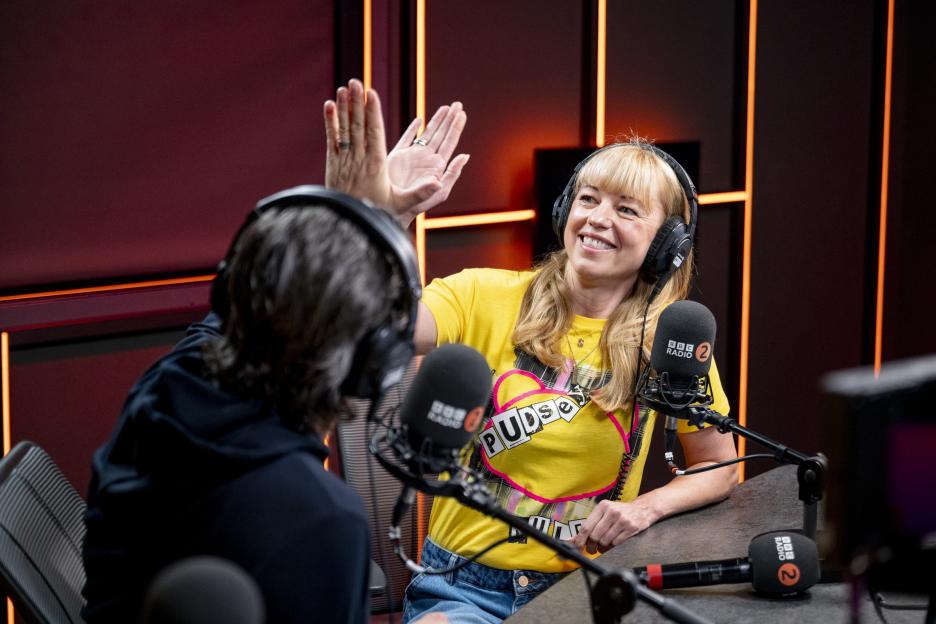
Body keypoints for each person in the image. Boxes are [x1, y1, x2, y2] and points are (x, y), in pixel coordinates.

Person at [324, 79, 739, 623]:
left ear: (668, 244)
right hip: (460, 587)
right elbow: (368, 328)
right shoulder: (481, 294)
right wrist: (379, 218)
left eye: (627, 210)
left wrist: (645, 509)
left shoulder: (667, 339)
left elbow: (720, 466)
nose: (597, 218)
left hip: (587, 592)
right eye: (587, 199)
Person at [80, 179, 444, 623]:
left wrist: (360, 215)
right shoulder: (321, 518)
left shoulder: (163, 390)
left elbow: (221, 325)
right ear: (371, 363)